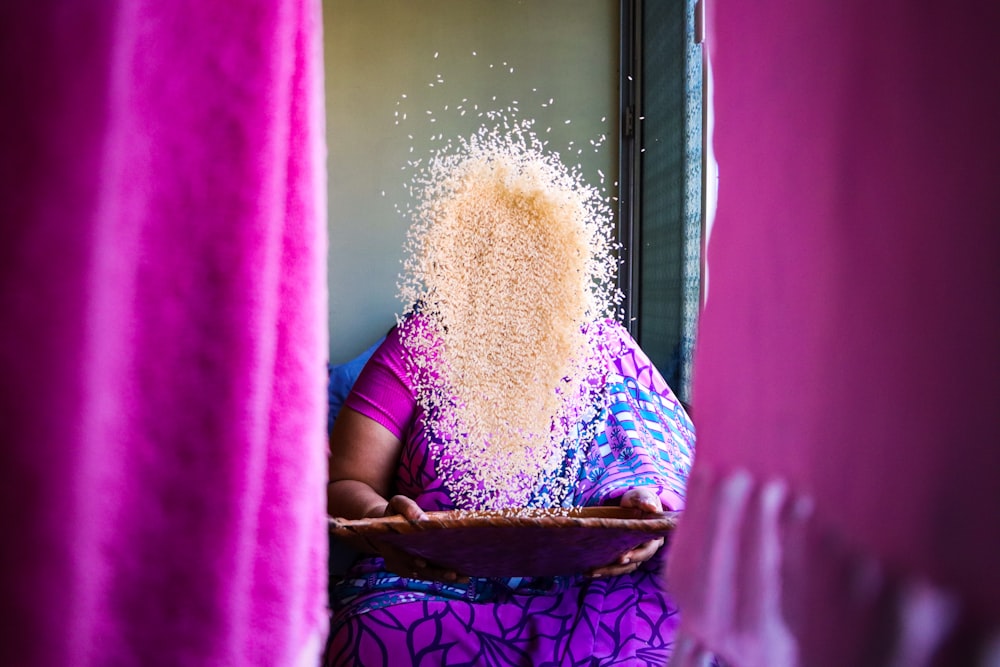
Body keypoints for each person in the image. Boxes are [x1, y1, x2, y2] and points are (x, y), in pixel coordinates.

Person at [324, 127, 696, 666]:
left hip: (591, 584)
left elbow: (664, 468)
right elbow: (346, 483)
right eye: (491, 258)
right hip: (436, 582)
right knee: (374, 635)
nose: (513, 278)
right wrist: (389, 523)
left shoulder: (605, 347)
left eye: (535, 262)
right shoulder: (420, 345)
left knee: (676, 626)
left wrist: (648, 517)